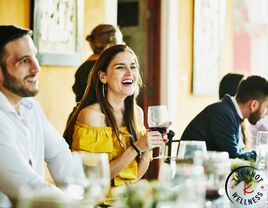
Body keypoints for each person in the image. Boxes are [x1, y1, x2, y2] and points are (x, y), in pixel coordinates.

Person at [64, 44, 166, 204]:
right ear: (103, 76)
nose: (129, 73)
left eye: (133, 67)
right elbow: (95, 177)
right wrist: (137, 148)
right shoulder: (92, 116)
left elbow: (132, 177)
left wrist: (148, 147)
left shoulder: (136, 113)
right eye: (120, 67)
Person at [0, 25, 73, 207]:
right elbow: (28, 189)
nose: (36, 68)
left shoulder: (30, 106)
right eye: (24, 61)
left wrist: (78, 191)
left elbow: (59, 155)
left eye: (34, 57)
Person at [180, 75, 268, 161]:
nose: (267, 113)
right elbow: (234, 159)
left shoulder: (229, 111)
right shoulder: (223, 114)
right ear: (253, 105)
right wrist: (262, 155)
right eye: (267, 107)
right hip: (191, 172)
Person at [73, 24, 124, 103]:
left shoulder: (82, 68)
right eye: (121, 42)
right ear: (109, 47)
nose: (124, 44)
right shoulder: (106, 69)